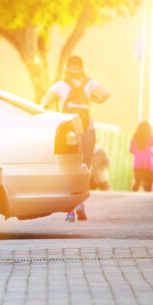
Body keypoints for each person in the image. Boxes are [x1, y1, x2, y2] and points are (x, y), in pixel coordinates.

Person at [41, 55, 110, 221]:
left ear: (66, 68)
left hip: (69, 132)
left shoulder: (60, 86)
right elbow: (106, 94)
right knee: (84, 169)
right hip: (87, 130)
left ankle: (70, 210)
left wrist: (54, 112)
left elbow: (43, 102)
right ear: (82, 67)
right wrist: (94, 99)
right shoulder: (90, 84)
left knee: (69, 169)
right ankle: (81, 203)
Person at [128, 121, 153, 192]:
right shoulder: (150, 138)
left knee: (137, 183)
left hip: (137, 165)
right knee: (148, 185)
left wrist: (137, 152)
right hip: (148, 165)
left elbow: (130, 150)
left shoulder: (134, 139)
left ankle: (133, 196)